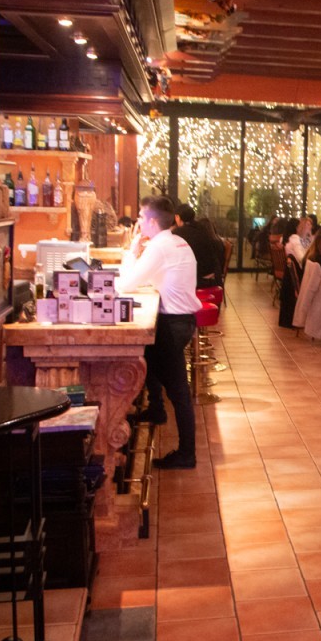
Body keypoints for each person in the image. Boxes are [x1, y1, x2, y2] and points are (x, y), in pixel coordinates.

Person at [116, 196, 203, 469]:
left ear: (152, 222)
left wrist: (131, 251)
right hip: (183, 321)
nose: (139, 222)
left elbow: (126, 284)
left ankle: (187, 454)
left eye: (142, 217)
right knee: (147, 357)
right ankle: (156, 409)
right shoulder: (176, 241)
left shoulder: (159, 247)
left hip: (172, 324)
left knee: (178, 391)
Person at [171, 204, 223, 289]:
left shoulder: (178, 233)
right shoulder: (203, 228)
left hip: (198, 280)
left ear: (178, 217)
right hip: (212, 276)